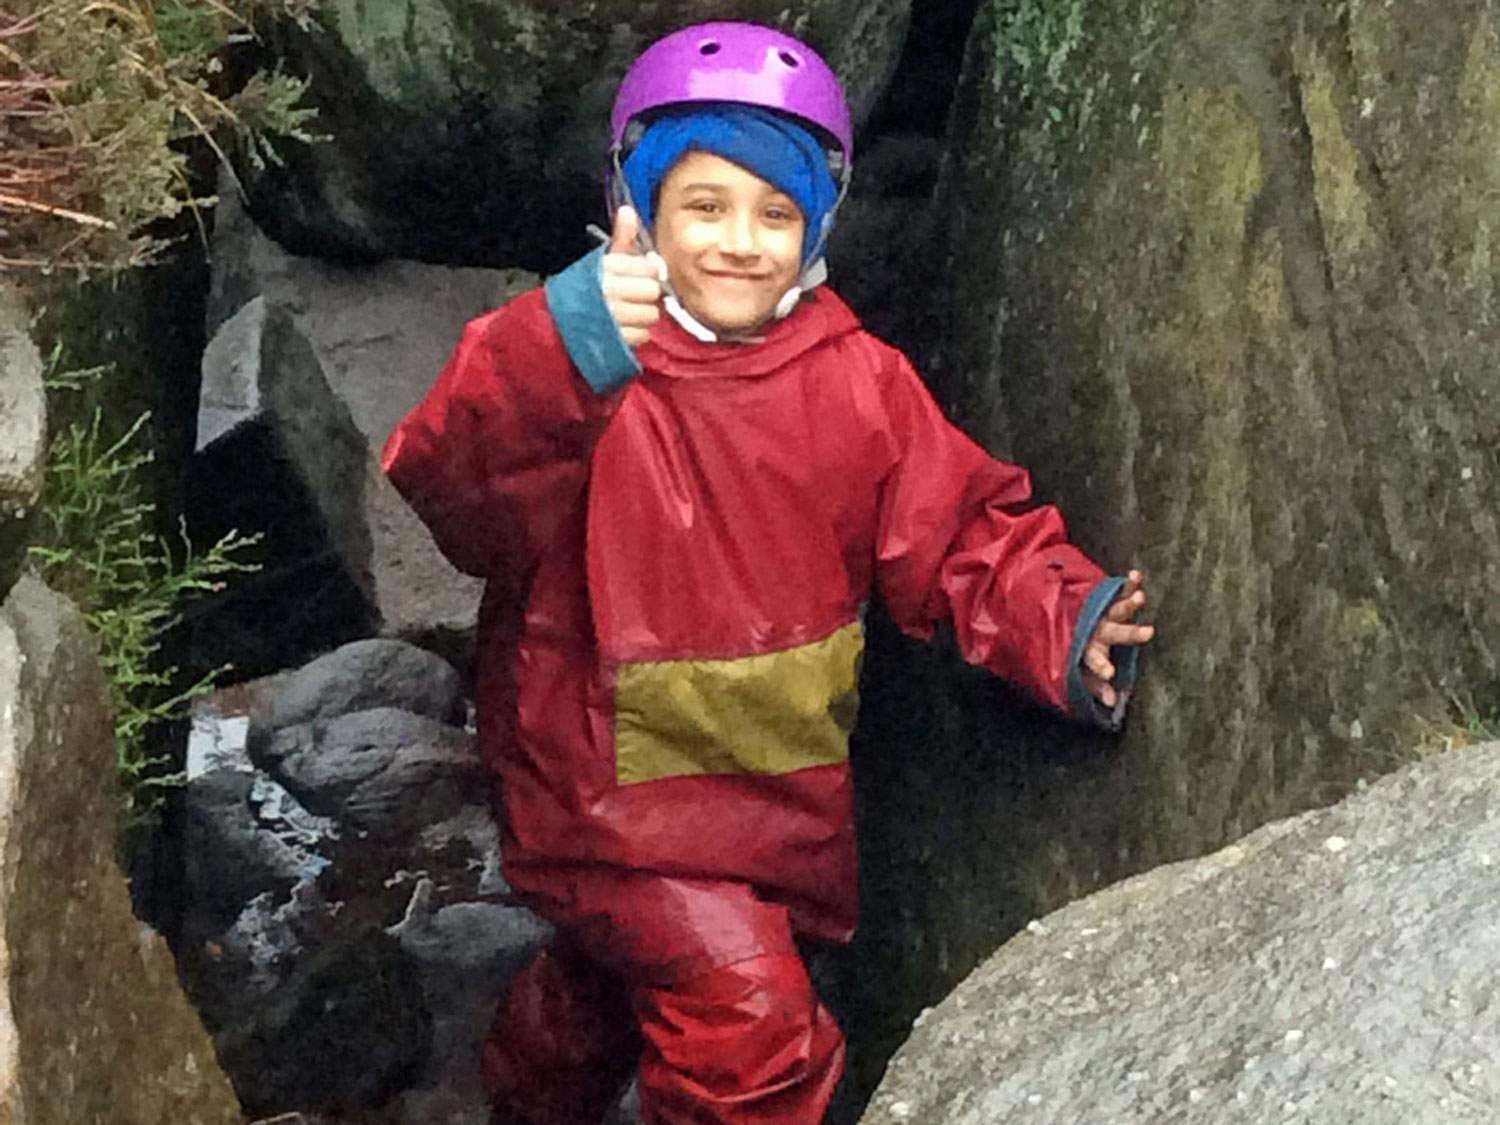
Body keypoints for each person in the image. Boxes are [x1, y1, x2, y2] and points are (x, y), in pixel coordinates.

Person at [381, 20, 1154, 1125]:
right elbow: (453, 487)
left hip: (768, 799)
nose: (741, 242)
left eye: (775, 213)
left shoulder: (857, 380)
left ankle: (516, 1096)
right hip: (606, 799)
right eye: (705, 206)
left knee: (611, 984)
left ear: (818, 226)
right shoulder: (579, 366)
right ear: (636, 211)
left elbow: (961, 527)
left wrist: (1059, 616)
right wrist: (557, 345)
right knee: (751, 1037)